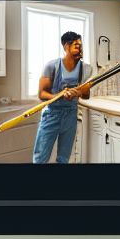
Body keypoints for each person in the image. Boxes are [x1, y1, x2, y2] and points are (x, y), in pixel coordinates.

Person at [32, 31, 93, 165]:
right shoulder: (51, 66)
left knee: (64, 159)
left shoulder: (86, 69)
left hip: (71, 116)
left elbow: (86, 95)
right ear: (66, 46)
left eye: (81, 46)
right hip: (51, 115)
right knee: (40, 158)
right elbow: (41, 94)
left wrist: (78, 93)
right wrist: (58, 95)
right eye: (76, 46)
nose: (80, 49)